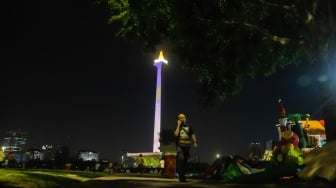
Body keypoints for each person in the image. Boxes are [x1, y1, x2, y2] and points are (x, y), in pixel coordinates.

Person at [174, 113, 198, 182]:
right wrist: (178, 125)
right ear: (179, 119)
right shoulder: (177, 126)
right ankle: (181, 176)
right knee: (181, 159)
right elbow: (175, 134)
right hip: (180, 146)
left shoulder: (189, 126)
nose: (183, 119)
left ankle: (183, 175)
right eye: (181, 118)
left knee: (185, 161)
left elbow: (192, 134)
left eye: (184, 117)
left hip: (187, 146)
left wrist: (195, 142)